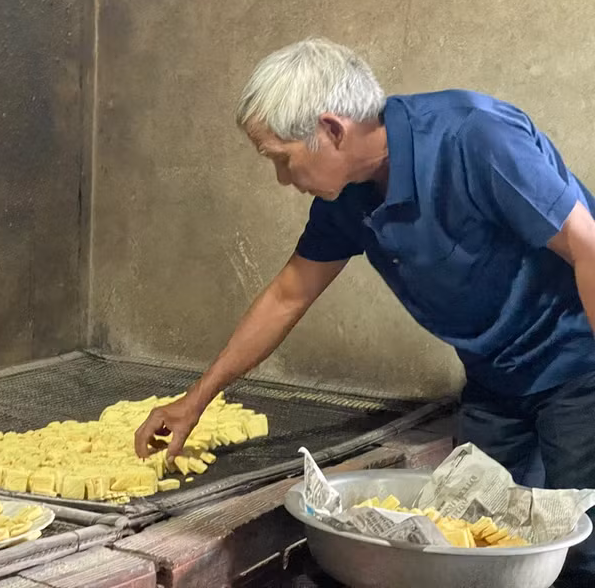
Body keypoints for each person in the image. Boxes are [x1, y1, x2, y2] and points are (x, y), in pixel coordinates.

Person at [133, 38, 595, 586]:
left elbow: (587, 247)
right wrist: (195, 401)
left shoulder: (474, 136)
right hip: (494, 378)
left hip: (578, 367)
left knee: (579, 552)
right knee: (470, 534)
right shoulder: (348, 197)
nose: (284, 180)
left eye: (283, 159)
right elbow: (288, 295)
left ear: (331, 130)